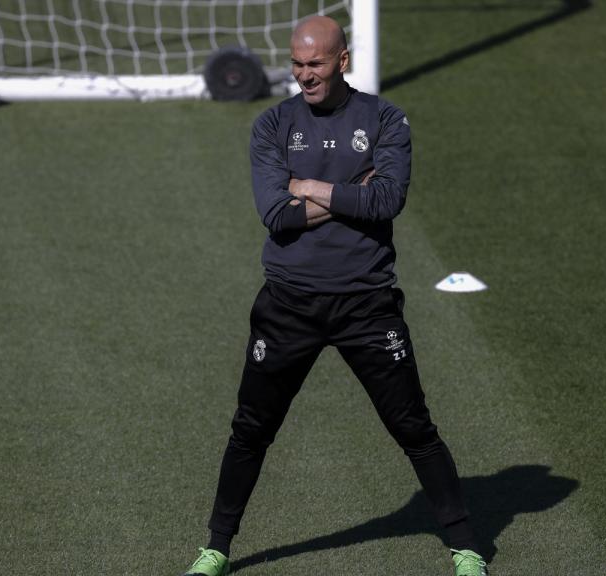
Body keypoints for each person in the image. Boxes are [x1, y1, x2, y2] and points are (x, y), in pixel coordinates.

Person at [181, 15, 487, 576]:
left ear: (341, 61)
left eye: (316, 64)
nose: (305, 76)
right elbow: (277, 214)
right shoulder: (272, 124)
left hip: (366, 305)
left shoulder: (385, 119)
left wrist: (309, 188)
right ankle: (216, 549)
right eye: (297, 65)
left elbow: (387, 201)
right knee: (251, 429)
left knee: (413, 427)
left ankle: (467, 548)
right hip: (288, 305)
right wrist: (349, 192)